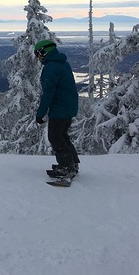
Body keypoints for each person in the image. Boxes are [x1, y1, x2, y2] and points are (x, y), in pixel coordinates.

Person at [33, 39, 80, 177]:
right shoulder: (62, 64)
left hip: (59, 109)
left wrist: (41, 113)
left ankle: (66, 167)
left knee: (55, 137)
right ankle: (72, 163)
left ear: (44, 51)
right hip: (68, 107)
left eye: (38, 54)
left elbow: (48, 93)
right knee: (63, 136)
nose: (38, 57)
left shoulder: (51, 67)